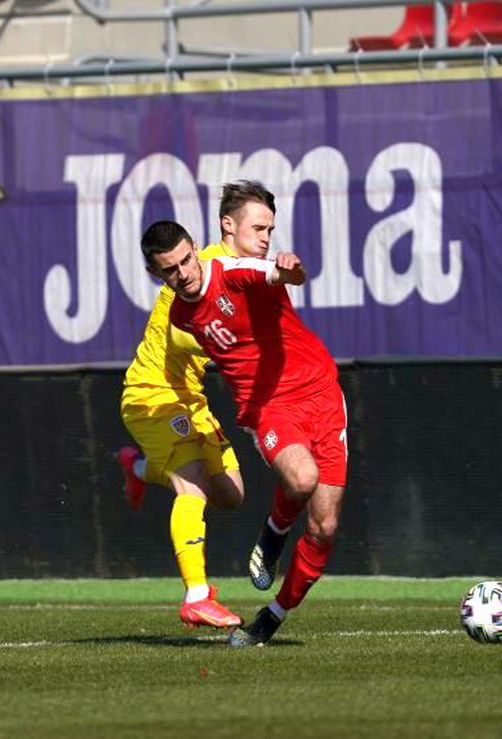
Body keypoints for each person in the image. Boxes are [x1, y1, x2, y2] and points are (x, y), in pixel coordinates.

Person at [141, 217, 348, 648]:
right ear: (156, 275)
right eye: (170, 270)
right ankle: (204, 585)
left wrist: (290, 270)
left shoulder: (229, 271)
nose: (183, 274)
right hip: (271, 405)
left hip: (323, 395)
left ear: (196, 248)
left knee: (323, 526)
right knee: (299, 479)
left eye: (185, 260)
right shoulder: (181, 315)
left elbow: (274, 272)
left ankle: (274, 613)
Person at [114, 180, 278, 631]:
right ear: (230, 227)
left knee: (231, 494)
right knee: (194, 487)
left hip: (190, 397)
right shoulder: (193, 276)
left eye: (269, 229)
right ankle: (196, 595)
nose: (264, 238)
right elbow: (184, 333)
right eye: (257, 228)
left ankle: (141, 468)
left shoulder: (238, 273)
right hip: (154, 394)